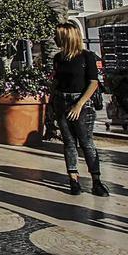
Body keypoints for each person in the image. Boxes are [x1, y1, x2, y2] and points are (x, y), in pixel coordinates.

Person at [51, 23, 109, 197]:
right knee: (69, 142)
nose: (55, 38)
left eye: (58, 35)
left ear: (67, 37)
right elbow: (56, 82)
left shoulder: (86, 57)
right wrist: (51, 104)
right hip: (62, 101)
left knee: (86, 142)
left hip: (81, 102)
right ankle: (73, 179)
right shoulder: (58, 58)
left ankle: (96, 180)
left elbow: (93, 82)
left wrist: (80, 104)